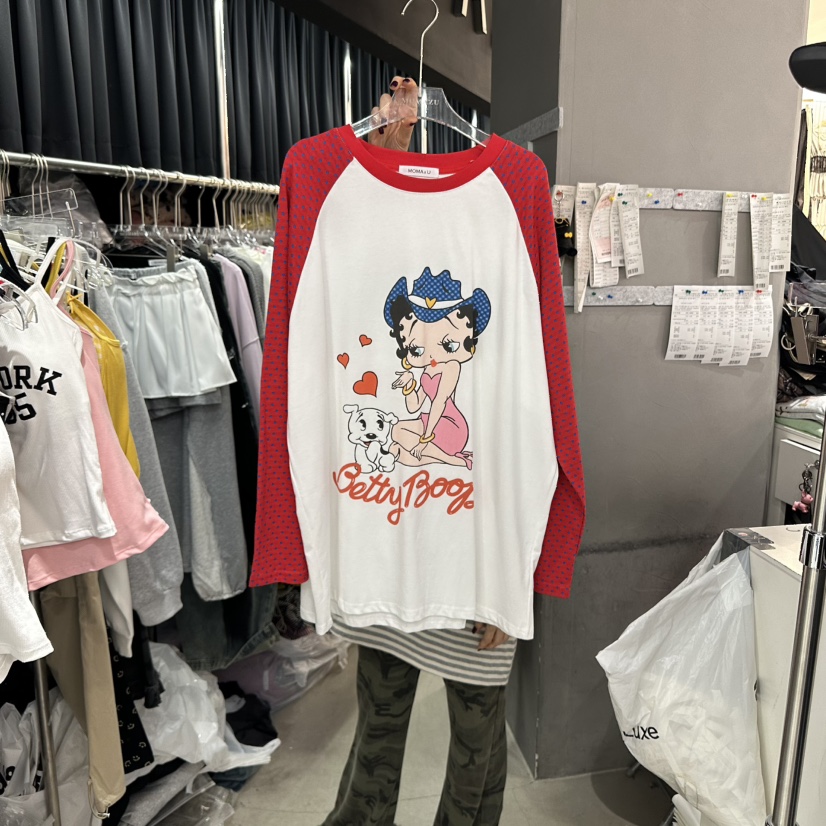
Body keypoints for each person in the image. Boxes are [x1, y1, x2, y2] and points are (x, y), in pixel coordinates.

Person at [323, 76, 512, 826]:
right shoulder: (362, 223)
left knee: (475, 742)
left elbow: (528, 423)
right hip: (391, 545)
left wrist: (512, 575)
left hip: (478, 555)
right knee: (381, 725)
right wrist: (384, 150)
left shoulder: (507, 208)